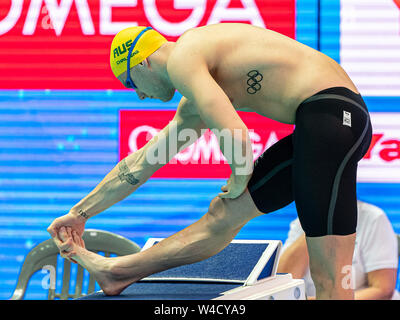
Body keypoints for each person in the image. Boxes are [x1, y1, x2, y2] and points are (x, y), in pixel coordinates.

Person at [47, 23, 372, 299]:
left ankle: (118, 271)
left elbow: (237, 136)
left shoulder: (186, 55)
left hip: (333, 114)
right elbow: (142, 163)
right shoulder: (198, 90)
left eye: (130, 84)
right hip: (322, 126)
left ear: (142, 63)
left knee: (330, 280)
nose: (139, 96)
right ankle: (118, 272)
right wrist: (80, 212)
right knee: (222, 215)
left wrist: (240, 174)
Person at [278, 200, 399, 300]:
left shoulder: (373, 218)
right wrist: (317, 227)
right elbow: (283, 281)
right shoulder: (301, 223)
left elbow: (383, 289)